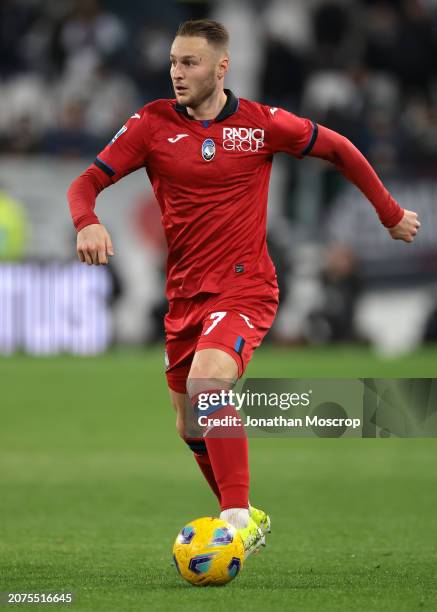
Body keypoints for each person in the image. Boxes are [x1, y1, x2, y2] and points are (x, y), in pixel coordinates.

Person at [67, 19, 421, 558]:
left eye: (189, 63)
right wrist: (86, 220)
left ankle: (233, 516)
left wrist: (390, 214)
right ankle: (244, 518)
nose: (177, 73)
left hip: (245, 286)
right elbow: (85, 182)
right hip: (184, 297)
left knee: (210, 382)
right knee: (189, 423)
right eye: (172, 62)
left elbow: (341, 149)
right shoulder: (151, 125)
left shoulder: (261, 125)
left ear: (221, 67)